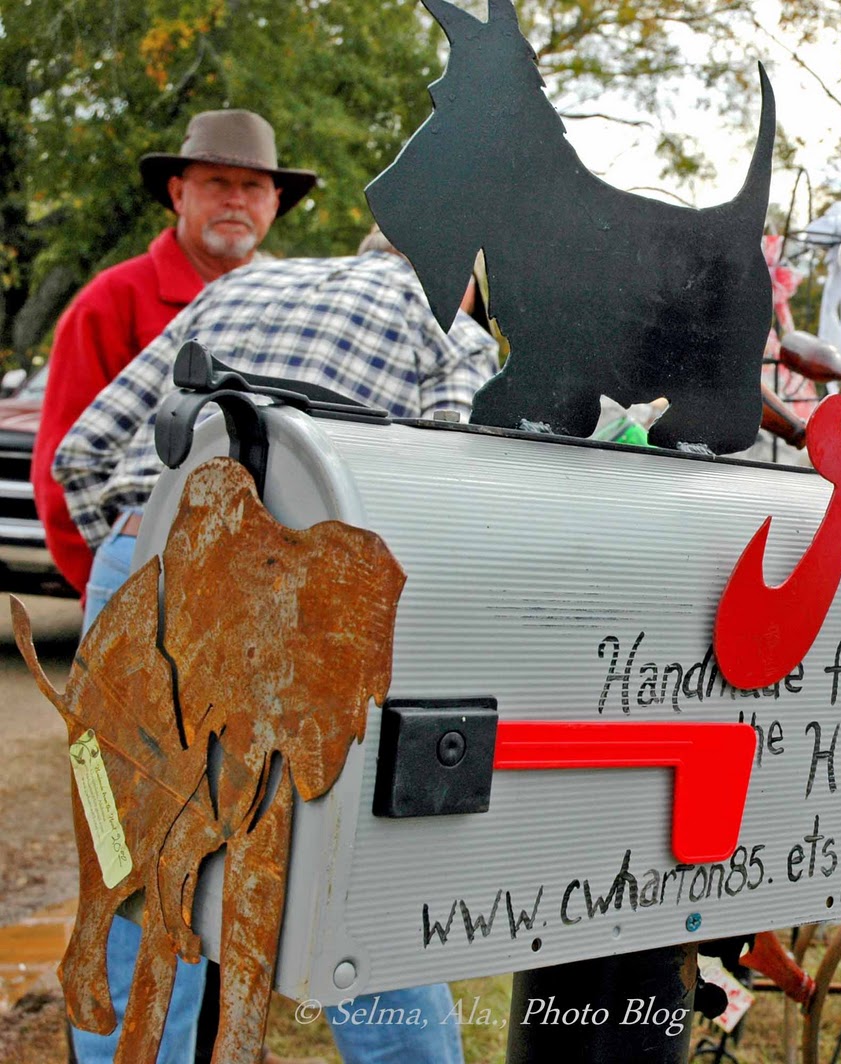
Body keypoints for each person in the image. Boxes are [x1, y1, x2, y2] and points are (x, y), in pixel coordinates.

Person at [54, 248, 500, 1063]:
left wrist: (133, 558)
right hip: (295, 601)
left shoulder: (237, 286)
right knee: (346, 886)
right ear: (468, 278)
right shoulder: (447, 320)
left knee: (136, 877)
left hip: (147, 558)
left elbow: (83, 453)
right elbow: (447, 489)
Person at [31, 109, 316, 600]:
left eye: (252, 186)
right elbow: (63, 467)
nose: (235, 199)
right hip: (143, 573)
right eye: (217, 182)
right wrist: (114, 580)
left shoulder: (302, 304)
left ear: (275, 202)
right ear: (178, 193)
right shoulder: (109, 302)